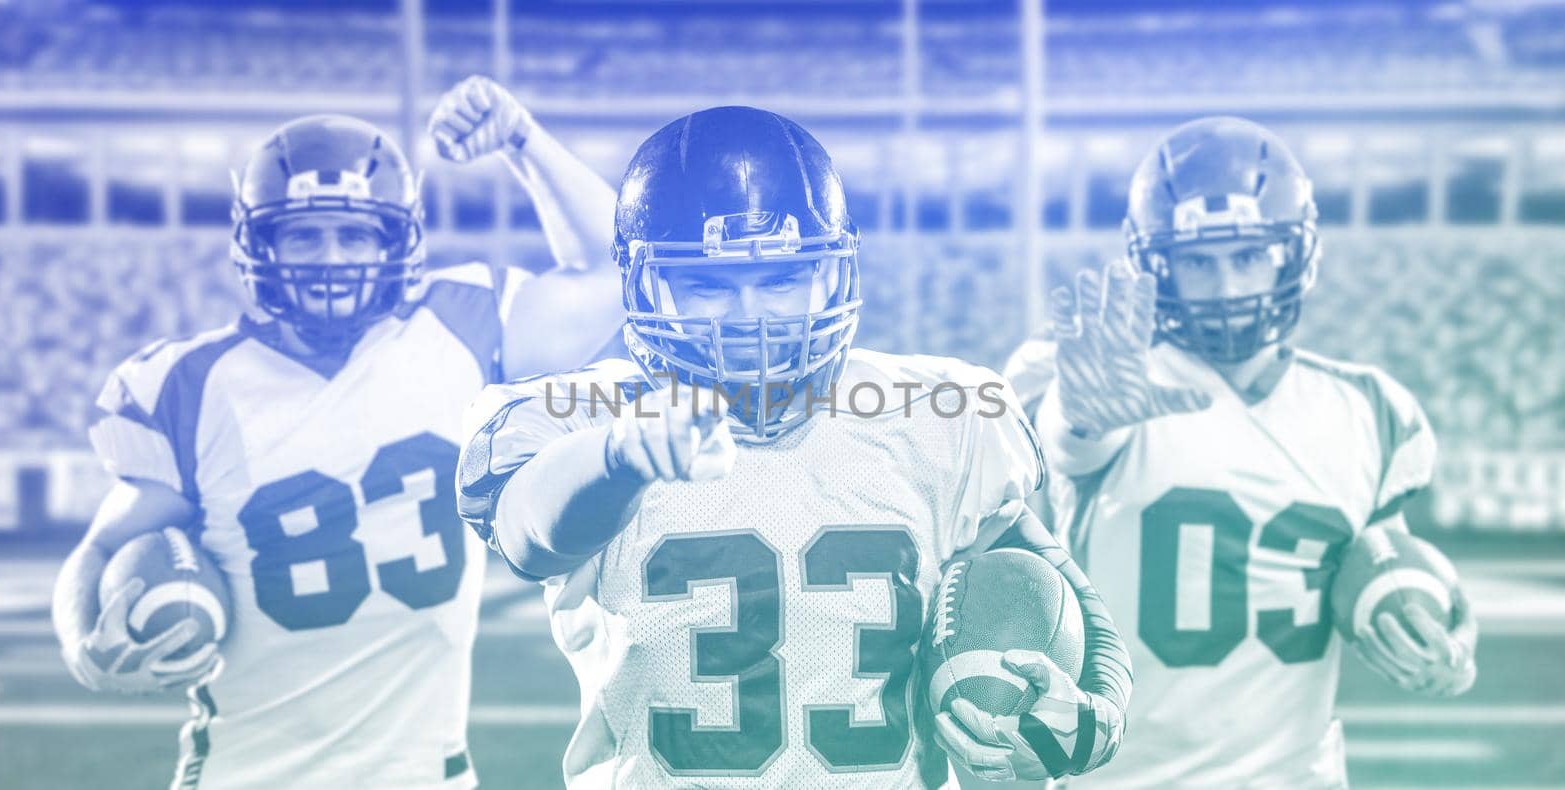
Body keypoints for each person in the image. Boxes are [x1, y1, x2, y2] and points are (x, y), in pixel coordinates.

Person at [455, 105, 1131, 788]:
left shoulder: (941, 415)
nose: (749, 315)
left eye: (781, 279)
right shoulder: (584, 419)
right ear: (641, 283)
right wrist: (620, 457)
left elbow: (1048, 578)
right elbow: (528, 533)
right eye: (707, 286)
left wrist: (1095, 709)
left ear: (834, 272)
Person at [50, 77, 623, 789]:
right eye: (303, 233)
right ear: (258, 242)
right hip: (245, 774)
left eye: (355, 232)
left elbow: (616, 267)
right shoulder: (189, 384)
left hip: (421, 775)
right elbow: (101, 546)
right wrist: (82, 637)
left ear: (397, 239)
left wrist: (522, 140)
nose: (330, 257)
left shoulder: (463, 325)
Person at [1021, 116, 1477, 787]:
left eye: (1248, 257)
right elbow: (1072, 438)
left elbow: (1382, 560)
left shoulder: (1369, 410)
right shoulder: (1101, 376)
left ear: (1293, 255)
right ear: (1157, 265)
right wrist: (1082, 414)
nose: (1227, 288)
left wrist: (1439, 631)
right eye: (1199, 262)